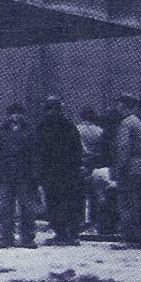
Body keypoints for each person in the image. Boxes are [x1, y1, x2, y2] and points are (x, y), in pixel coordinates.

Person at [0, 103, 40, 248]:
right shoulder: (1, 133)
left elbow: (36, 155)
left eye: (18, 113)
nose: (15, 116)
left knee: (27, 208)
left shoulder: (30, 133)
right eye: (12, 113)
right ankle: (6, 237)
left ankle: (28, 238)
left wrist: (35, 174)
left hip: (25, 176)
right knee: (5, 208)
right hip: (5, 176)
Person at [37, 96, 84, 245]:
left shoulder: (43, 126)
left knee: (54, 202)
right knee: (69, 202)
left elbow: (38, 150)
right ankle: (71, 233)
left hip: (51, 171)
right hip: (67, 171)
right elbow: (77, 149)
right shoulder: (69, 125)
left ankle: (61, 232)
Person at [113, 94, 141, 245]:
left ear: (124, 105)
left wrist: (118, 168)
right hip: (140, 165)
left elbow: (124, 148)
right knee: (138, 201)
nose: (117, 107)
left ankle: (130, 236)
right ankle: (140, 233)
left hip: (129, 167)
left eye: (119, 104)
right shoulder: (137, 121)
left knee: (127, 202)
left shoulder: (126, 123)